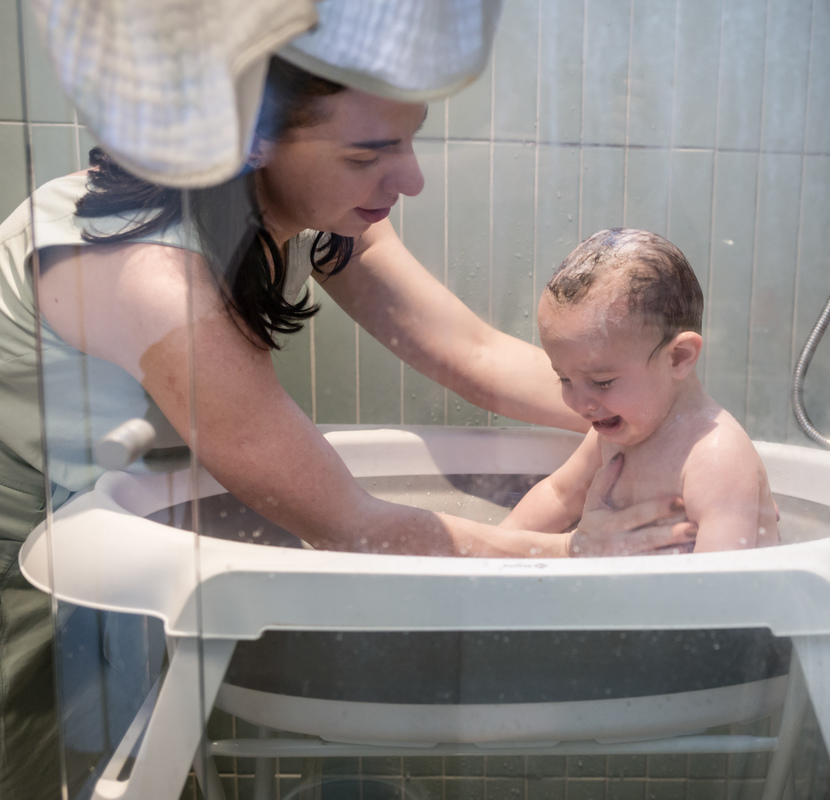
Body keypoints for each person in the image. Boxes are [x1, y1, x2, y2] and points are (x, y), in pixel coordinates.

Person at [0, 59, 695, 798]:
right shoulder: (142, 271)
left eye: (408, 140)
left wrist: (673, 413)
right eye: (368, 154)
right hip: (39, 556)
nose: (411, 179)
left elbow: (475, 357)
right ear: (253, 137)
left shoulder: (309, 216)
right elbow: (346, 521)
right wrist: (572, 553)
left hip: (153, 520)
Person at [501, 228, 780, 552]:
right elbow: (560, 496)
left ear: (678, 357)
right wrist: (488, 553)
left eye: (602, 382)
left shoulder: (715, 460)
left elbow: (721, 588)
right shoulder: (613, 434)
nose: (578, 403)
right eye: (563, 379)